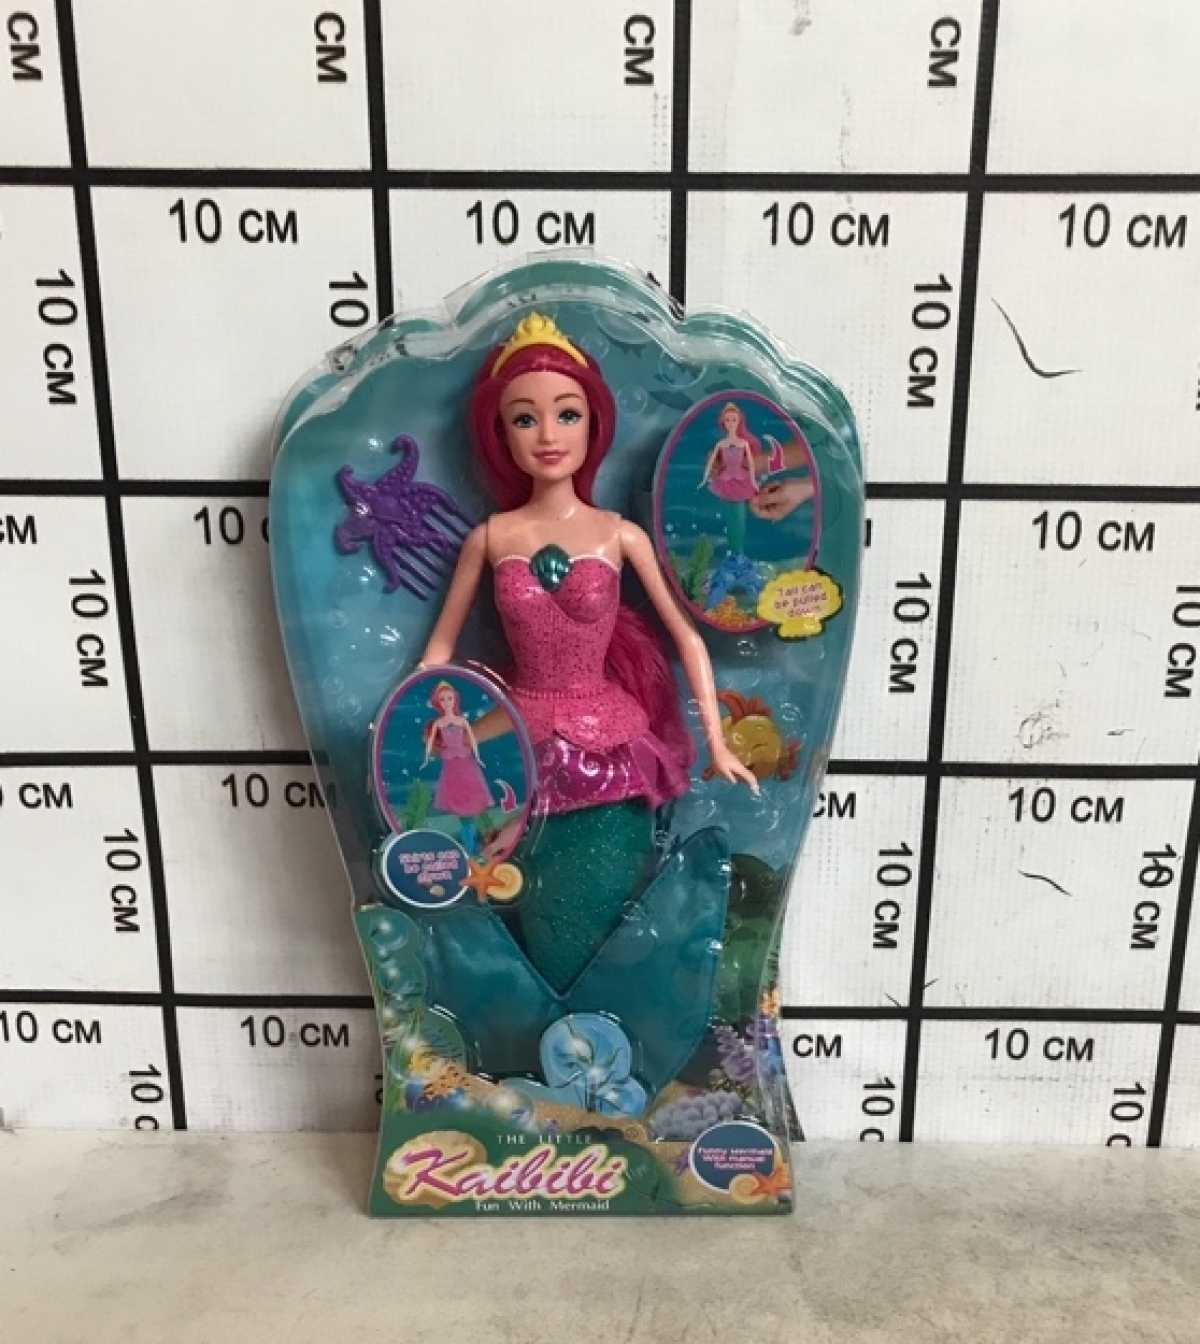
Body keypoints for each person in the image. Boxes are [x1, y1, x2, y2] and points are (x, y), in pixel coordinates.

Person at [420, 312, 755, 991]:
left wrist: (717, 744)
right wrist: (415, 737)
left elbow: (686, 636)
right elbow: (436, 657)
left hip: (609, 752)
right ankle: (548, 1023)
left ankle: (595, 1020)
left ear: (593, 423)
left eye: (566, 414)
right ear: (500, 433)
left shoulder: (618, 535)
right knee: (535, 908)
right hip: (522, 745)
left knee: (600, 910)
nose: (548, 435)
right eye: (525, 419)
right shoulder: (492, 537)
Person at [422, 680, 494, 854]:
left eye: (450, 698)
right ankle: (470, 843)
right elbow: (430, 743)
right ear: (438, 702)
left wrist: (478, 758)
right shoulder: (439, 724)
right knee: (458, 798)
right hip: (451, 765)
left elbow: (473, 740)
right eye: (443, 699)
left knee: (472, 793)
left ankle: (473, 839)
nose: (447, 702)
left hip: (465, 762)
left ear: (455, 699)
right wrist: (425, 759)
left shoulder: (462, 721)